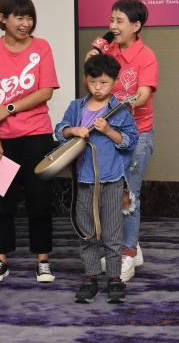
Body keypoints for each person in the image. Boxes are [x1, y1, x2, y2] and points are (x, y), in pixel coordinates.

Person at [0, 0, 59, 283]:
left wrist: (7, 108)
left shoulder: (42, 46)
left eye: (29, 17)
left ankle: (43, 260)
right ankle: (0, 260)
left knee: (40, 201)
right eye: (20, 17)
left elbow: (45, 91)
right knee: (0, 203)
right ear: (2, 18)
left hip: (37, 133)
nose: (26, 23)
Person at [55, 54, 139, 304]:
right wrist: (73, 130)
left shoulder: (120, 110)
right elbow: (59, 130)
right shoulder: (76, 107)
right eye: (93, 82)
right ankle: (91, 276)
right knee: (87, 232)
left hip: (112, 180)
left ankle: (114, 278)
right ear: (85, 80)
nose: (98, 88)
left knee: (113, 233)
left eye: (104, 82)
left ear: (113, 82)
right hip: (84, 181)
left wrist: (109, 130)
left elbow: (130, 141)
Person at [86, 0, 158, 282]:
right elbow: (92, 83)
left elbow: (143, 95)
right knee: (113, 193)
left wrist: (117, 105)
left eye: (119, 21)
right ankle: (132, 246)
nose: (112, 27)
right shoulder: (107, 50)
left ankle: (126, 253)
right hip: (107, 132)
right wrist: (92, 58)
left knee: (129, 196)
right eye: (111, 20)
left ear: (136, 25)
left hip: (137, 133)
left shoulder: (146, 55)